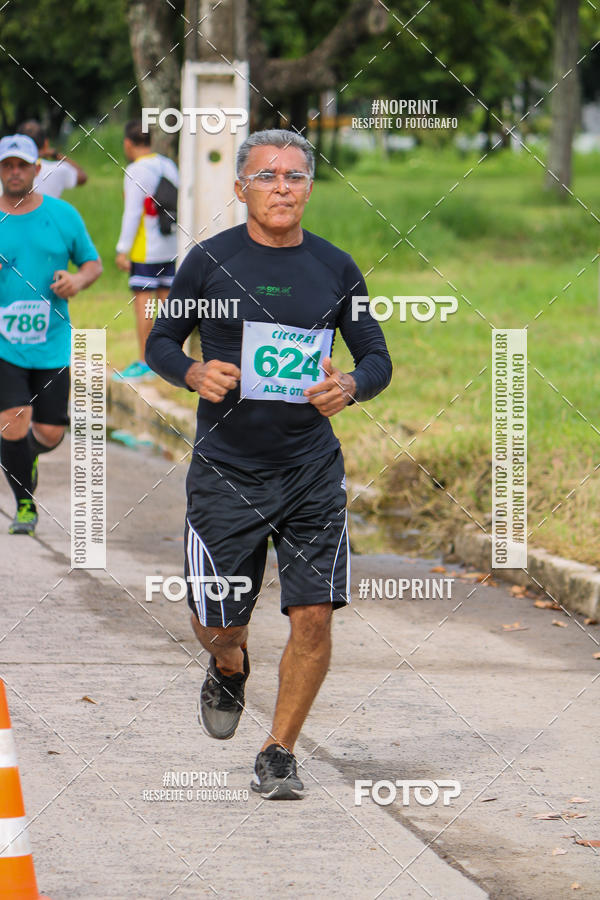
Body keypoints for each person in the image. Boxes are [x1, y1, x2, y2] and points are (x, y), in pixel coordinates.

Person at [146, 128, 392, 799]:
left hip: (310, 467)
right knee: (220, 621)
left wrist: (352, 385)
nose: (281, 187)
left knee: (313, 614)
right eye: (266, 176)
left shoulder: (336, 268)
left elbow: (377, 356)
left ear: (309, 187)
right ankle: (229, 663)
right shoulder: (208, 262)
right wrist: (193, 371)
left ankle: (278, 751)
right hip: (227, 468)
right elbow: (161, 342)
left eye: (294, 176)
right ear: (241, 189)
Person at [0, 134, 102, 535]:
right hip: (4, 343)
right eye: (6, 165)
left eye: (21, 165)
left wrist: (77, 281)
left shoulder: (63, 215)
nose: (14, 172)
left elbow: (93, 264)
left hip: (53, 342)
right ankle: (26, 504)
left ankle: (21, 453)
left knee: (49, 432)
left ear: (36, 169)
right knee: (14, 419)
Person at [115, 120, 179, 380]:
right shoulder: (168, 164)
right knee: (166, 305)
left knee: (144, 305)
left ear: (128, 143)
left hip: (146, 248)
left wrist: (122, 249)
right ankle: (168, 361)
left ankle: (144, 362)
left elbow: (133, 212)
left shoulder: (136, 170)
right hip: (170, 244)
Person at [17, 119, 88, 198]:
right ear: (46, 144)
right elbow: (83, 177)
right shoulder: (59, 169)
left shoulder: (6, 170)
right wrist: (56, 155)